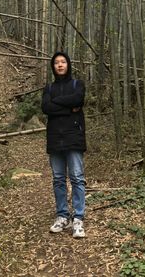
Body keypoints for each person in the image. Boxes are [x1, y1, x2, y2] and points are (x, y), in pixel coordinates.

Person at [41, 50, 86, 239]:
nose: (60, 65)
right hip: (54, 138)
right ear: (53, 66)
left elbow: (78, 100)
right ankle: (62, 216)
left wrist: (57, 106)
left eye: (63, 62)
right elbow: (46, 107)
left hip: (73, 137)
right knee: (58, 179)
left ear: (68, 65)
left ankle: (78, 219)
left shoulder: (77, 85)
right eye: (57, 62)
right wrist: (68, 108)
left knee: (76, 177)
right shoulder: (48, 89)